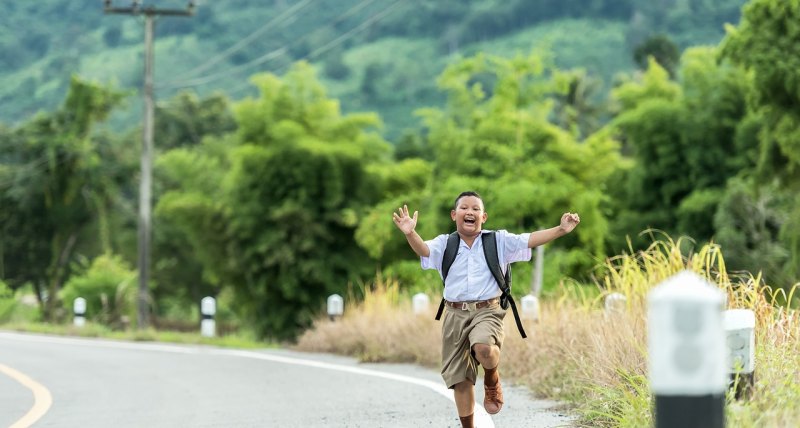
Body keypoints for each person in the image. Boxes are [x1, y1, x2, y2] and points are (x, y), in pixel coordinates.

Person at [392, 191, 580, 428]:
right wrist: (410, 233)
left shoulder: (498, 241)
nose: (469, 212)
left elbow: (529, 239)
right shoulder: (445, 243)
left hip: (488, 310)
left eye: (475, 209)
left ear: (484, 217)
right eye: (464, 208)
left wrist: (561, 230)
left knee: (484, 348)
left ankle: (492, 379)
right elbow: (424, 251)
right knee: (461, 380)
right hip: (454, 313)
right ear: (454, 215)